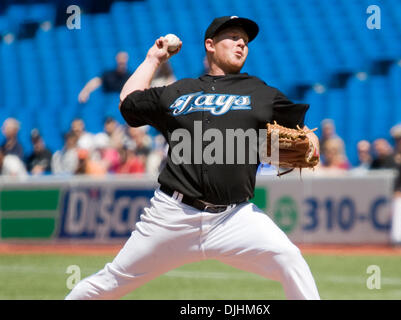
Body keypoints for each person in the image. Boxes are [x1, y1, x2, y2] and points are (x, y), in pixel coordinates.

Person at [66, 16, 320, 300]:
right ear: (210, 45)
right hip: (172, 215)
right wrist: (154, 58)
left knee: (290, 259)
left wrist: (312, 141)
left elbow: (304, 134)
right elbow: (128, 102)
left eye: (245, 41)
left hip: (233, 218)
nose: (241, 44)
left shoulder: (261, 93)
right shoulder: (179, 91)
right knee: (109, 283)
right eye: (234, 37)